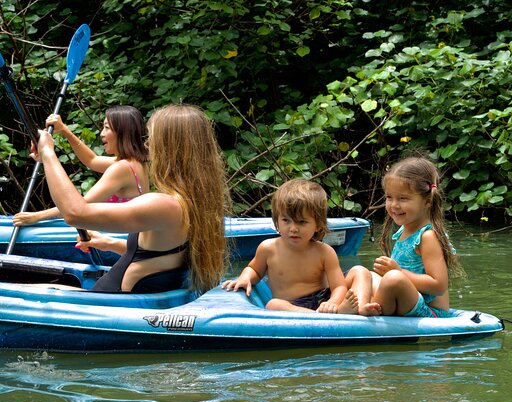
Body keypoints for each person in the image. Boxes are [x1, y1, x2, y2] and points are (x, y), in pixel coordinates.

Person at [33, 104, 230, 293]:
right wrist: (110, 243)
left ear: (169, 149)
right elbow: (159, 255)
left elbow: (75, 213)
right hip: (126, 295)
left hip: (111, 302)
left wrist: (48, 153)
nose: (146, 144)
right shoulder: (196, 203)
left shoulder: (164, 205)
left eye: (152, 139)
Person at [347, 156, 463, 317]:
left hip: (429, 312)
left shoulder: (428, 236)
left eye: (403, 198)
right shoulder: (405, 229)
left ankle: (366, 310)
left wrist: (399, 271)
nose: (394, 205)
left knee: (394, 278)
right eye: (389, 197)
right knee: (360, 271)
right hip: (404, 301)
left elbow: (439, 285)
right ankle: (361, 306)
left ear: (427, 201)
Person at [221, 179, 357, 314]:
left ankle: (358, 309)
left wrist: (332, 303)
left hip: (323, 300)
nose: (293, 228)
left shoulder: (325, 252)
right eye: (286, 220)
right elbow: (254, 270)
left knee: (359, 271)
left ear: (318, 225)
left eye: (302, 222)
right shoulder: (268, 249)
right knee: (273, 304)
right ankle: (321, 316)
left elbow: (338, 286)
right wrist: (245, 278)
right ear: (277, 221)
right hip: (292, 306)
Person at [13, 106, 150, 226]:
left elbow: (78, 207)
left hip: (116, 237)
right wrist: (65, 130)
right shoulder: (135, 162)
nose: (101, 133)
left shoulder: (122, 168)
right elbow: (92, 160)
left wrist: (36, 217)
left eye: (106, 128)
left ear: (123, 132)